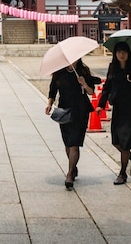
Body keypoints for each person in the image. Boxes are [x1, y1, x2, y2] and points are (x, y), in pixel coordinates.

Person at [45, 59, 101, 190]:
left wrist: (84, 83)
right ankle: (73, 167)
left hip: (80, 111)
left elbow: (91, 92)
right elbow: (53, 90)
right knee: (68, 144)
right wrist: (49, 104)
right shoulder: (59, 73)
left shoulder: (83, 72)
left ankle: (69, 174)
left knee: (74, 144)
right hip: (65, 111)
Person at [98, 41, 131, 185]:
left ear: (128, 53)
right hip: (118, 108)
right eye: (118, 51)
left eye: (124, 51)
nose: (121, 54)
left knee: (125, 143)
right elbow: (107, 87)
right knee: (116, 141)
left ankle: (122, 173)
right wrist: (101, 105)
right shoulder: (112, 68)